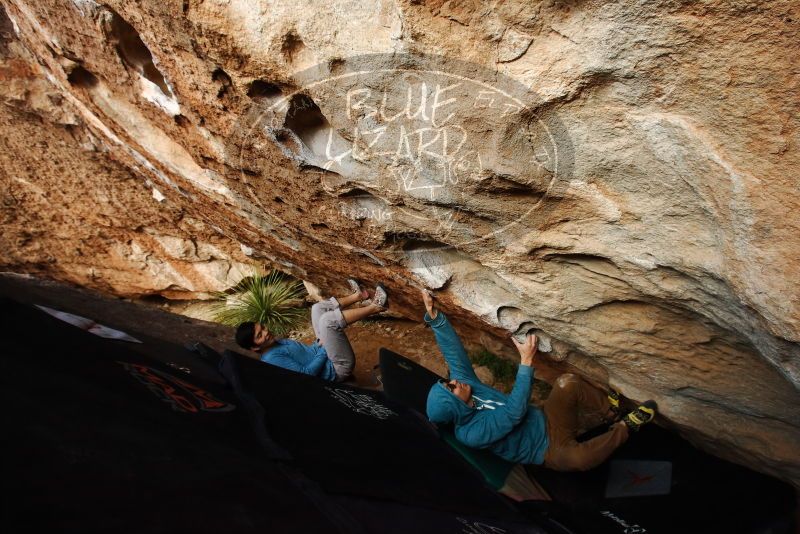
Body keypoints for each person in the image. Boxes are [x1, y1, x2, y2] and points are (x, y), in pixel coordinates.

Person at [422, 290, 657, 472]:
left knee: (568, 383)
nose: (454, 382)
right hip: (546, 450)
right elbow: (514, 412)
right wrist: (526, 361)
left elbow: (453, 353)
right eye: (452, 388)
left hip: (547, 418)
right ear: (456, 406)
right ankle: (625, 427)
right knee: (580, 459)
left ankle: (608, 413)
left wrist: (435, 319)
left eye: (448, 382)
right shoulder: (471, 434)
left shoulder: (468, 389)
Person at [235, 280, 388, 382]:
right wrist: (322, 350)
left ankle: (359, 295)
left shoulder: (276, 342)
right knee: (327, 321)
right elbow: (307, 374)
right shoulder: (273, 359)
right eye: (259, 335)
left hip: (325, 354)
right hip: (336, 369)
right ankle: (377, 307)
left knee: (317, 308)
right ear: (254, 347)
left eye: (262, 327)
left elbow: (306, 354)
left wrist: (318, 346)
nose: (266, 332)